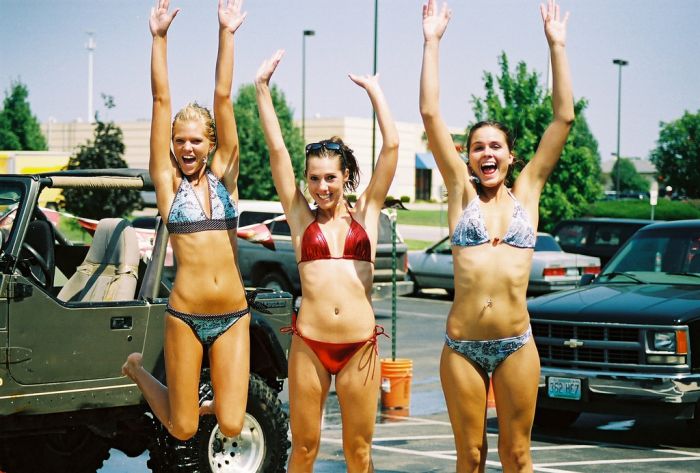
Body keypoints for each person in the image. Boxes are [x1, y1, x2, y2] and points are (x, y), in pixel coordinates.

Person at [419, 0, 574, 471]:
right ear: (468, 157)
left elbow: (563, 118)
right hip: (461, 346)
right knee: (470, 457)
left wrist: (556, 46)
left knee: (517, 455)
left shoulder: (528, 192)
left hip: (515, 344)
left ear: (510, 156)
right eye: (477, 147)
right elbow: (429, 113)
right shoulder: (458, 192)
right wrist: (432, 42)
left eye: (495, 147)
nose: (486, 153)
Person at [255, 50, 399, 472]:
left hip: (359, 347)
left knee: (359, 453)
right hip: (310, 345)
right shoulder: (301, 219)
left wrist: (375, 91)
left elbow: (391, 147)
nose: (321, 187)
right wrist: (262, 89)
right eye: (314, 178)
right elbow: (277, 151)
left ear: (346, 178)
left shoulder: (367, 213)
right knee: (303, 449)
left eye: (330, 178)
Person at [122, 0, 250, 441]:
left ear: (212, 144)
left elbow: (224, 96)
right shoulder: (167, 184)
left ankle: (204, 397)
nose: (187, 148)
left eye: (196, 140)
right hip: (185, 317)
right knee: (182, 427)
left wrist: (226, 33)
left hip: (234, 315)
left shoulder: (227, 179)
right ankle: (138, 373)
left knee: (232, 424)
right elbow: (161, 99)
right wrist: (158, 38)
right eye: (180, 141)